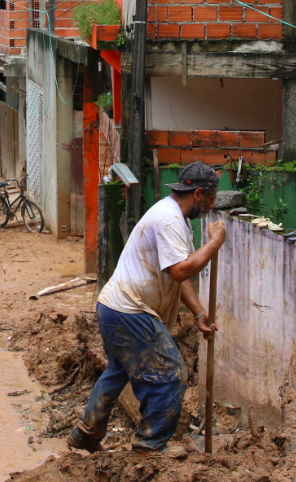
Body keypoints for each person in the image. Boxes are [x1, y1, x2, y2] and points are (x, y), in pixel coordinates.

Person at [69, 162, 226, 459]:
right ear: (198, 193)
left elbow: (176, 277)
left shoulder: (171, 215)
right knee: (171, 373)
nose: (211, 206)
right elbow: (182, 271)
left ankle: (86, 435)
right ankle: (150, 446)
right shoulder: (170, 221)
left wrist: (199, 314)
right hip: (130, 310)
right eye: (210, 200)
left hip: (114, 306)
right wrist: (215, 243)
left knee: (117, 372)